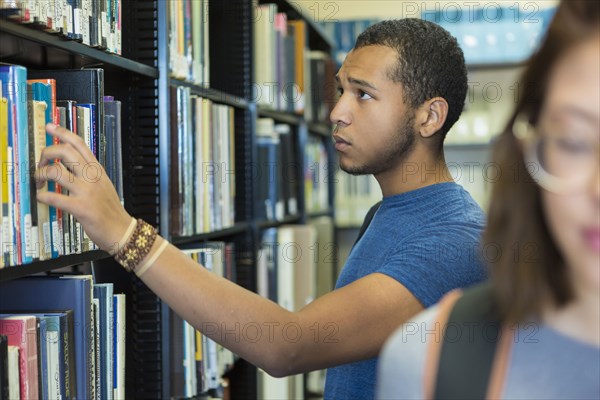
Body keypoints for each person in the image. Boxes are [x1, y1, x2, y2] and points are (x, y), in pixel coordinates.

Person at [35, 19, 487, 399]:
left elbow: (288, 346)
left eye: (363, 95)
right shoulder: (390, 212)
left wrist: (125, 233)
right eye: (341, 90)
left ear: (429, 116)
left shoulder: (454, 241)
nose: (337, 112)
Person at [376, 1, 600, 399]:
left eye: (363, 94)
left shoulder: (451, 231)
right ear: (526, 147)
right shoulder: (431, 360)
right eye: (574, 142)